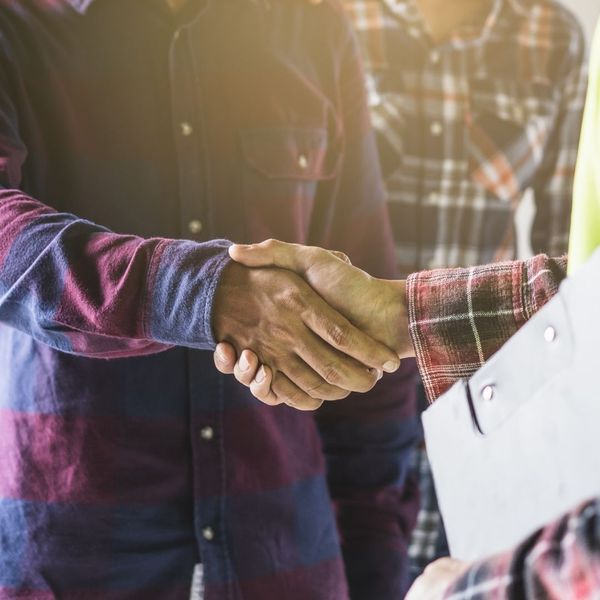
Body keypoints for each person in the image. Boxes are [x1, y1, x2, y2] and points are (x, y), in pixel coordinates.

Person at [0, 0, 420, 597]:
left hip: (287, 557)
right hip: (72, 557)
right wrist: (205, 292)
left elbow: (368, 322)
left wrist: (379, 565)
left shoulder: (314, 28)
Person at [341, 0, 588, 576]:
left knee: (453, 577)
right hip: (331, 392)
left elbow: (575, 268)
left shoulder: (552, 38)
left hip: (474, 398)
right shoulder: (329, 18)